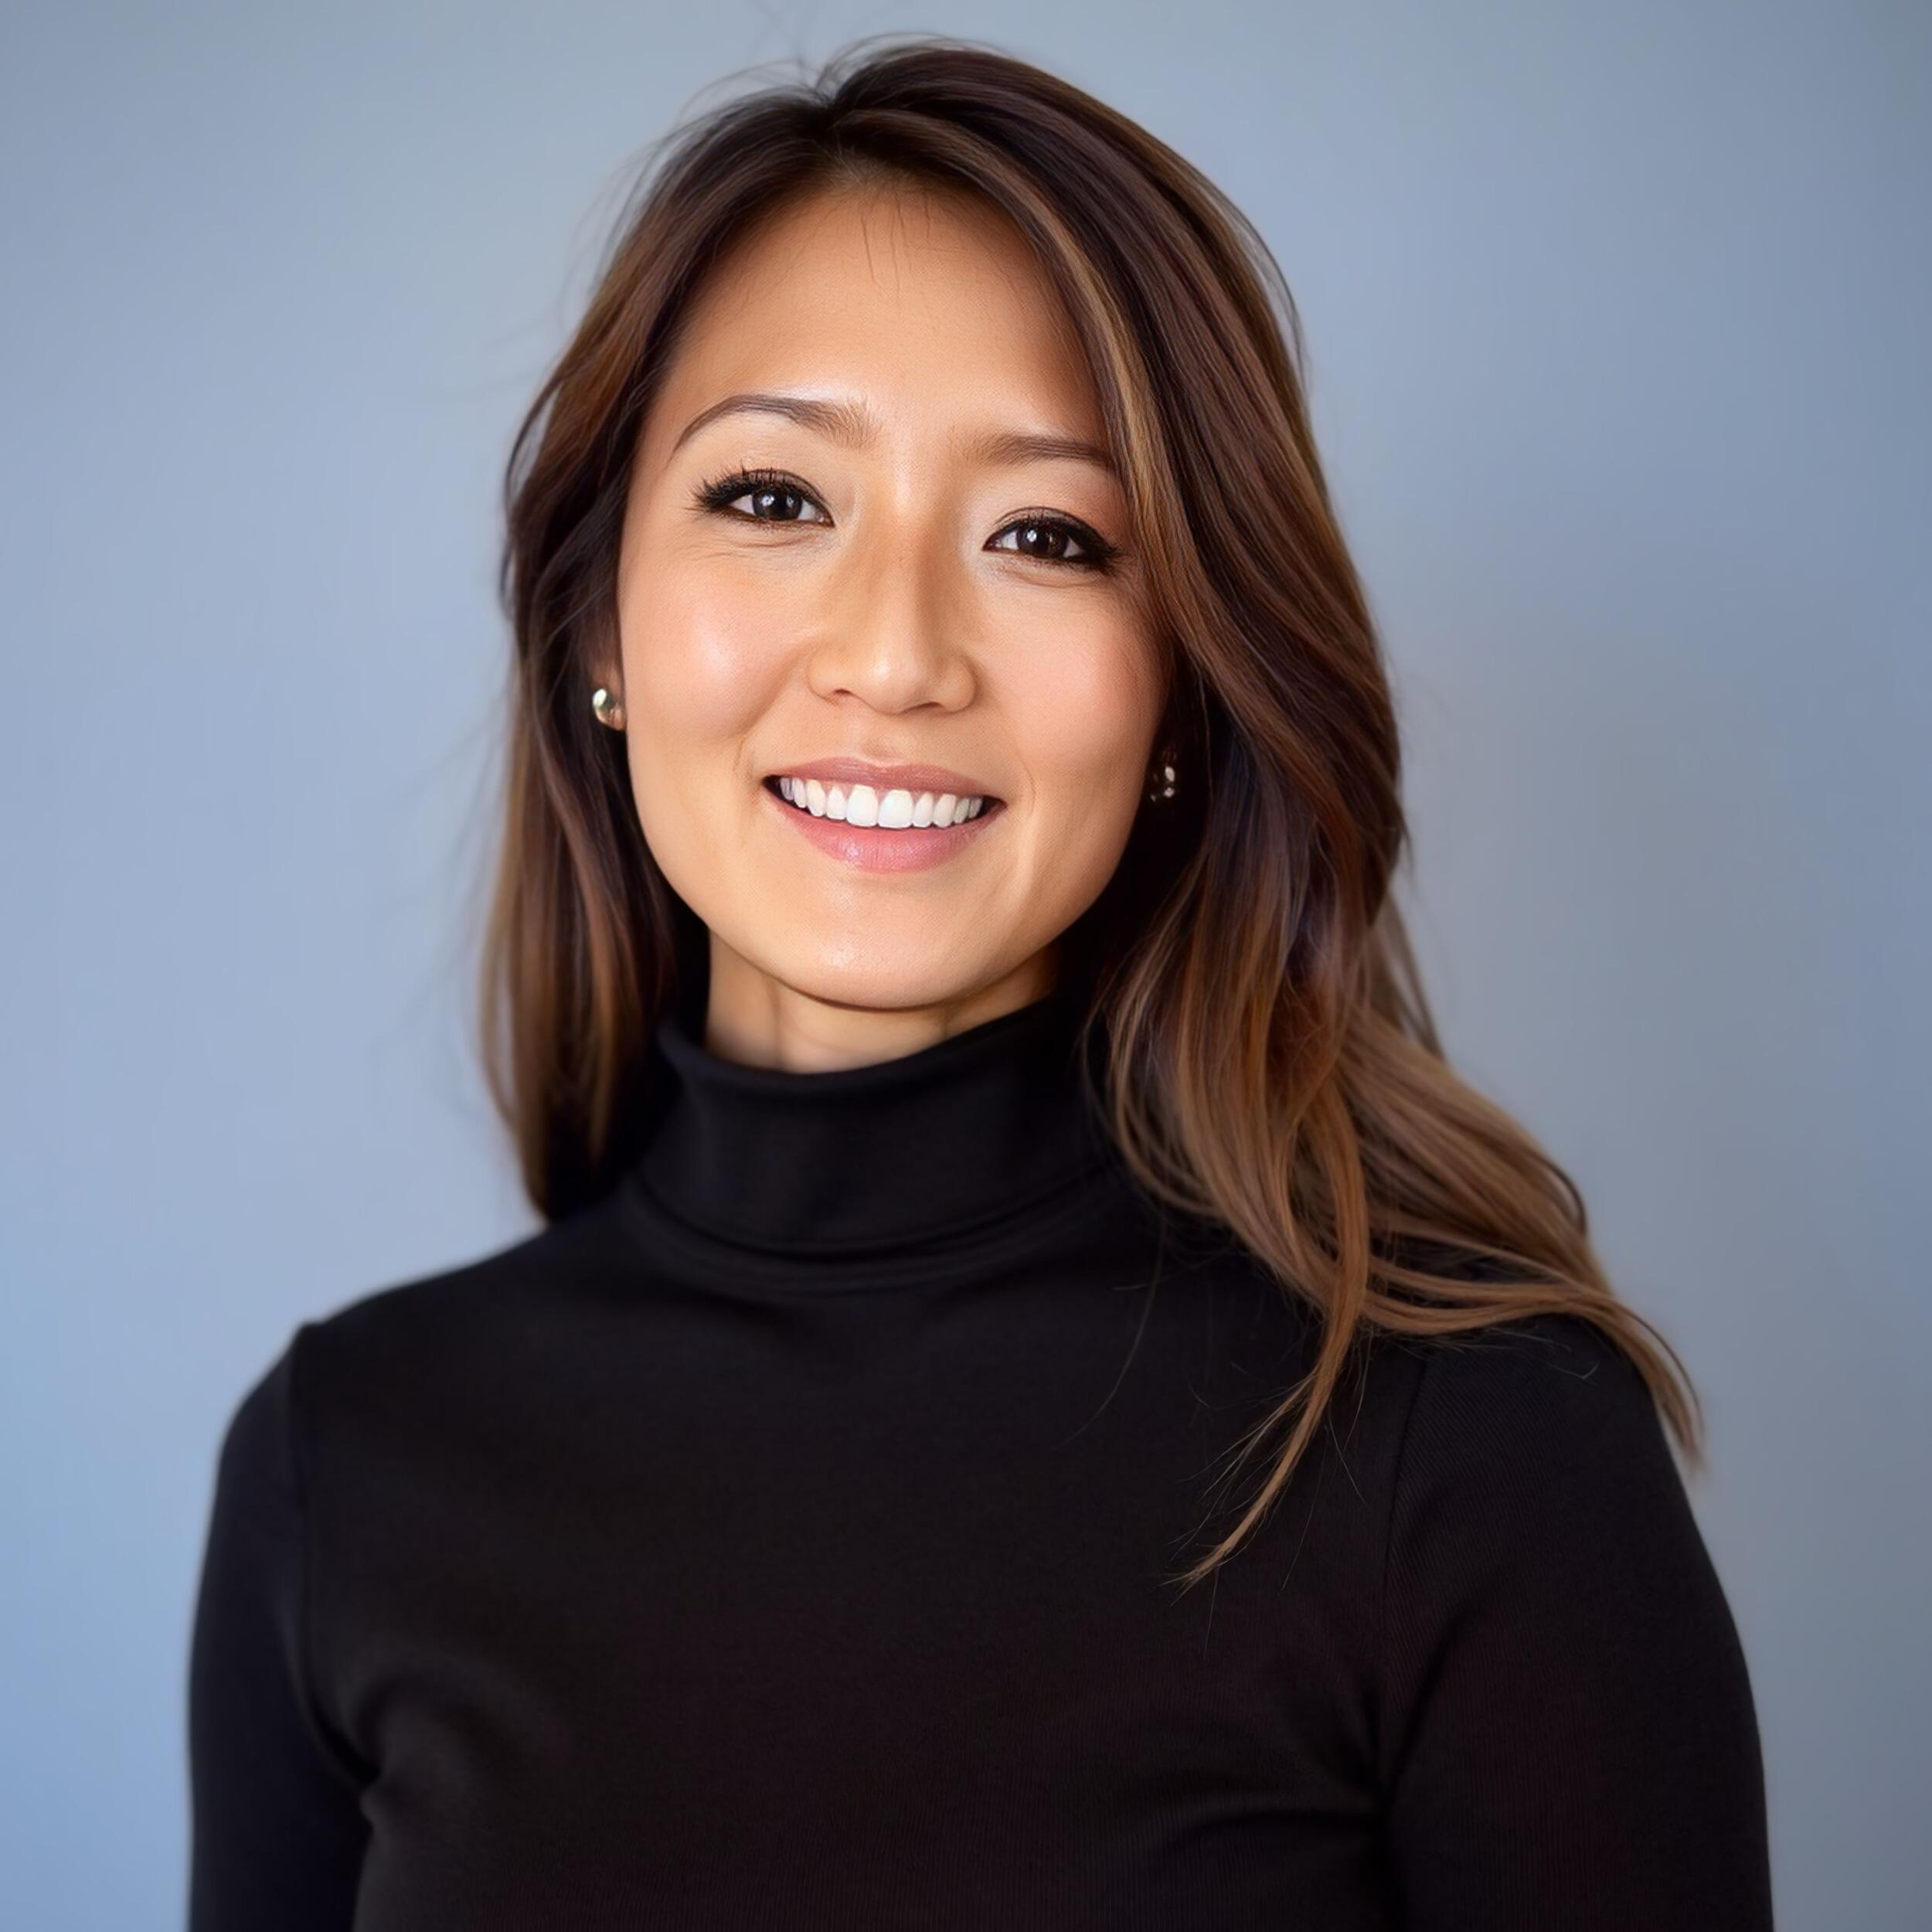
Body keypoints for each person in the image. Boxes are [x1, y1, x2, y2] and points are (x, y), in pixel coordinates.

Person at [185, 35, 1774, 1930]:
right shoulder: (344, 1464)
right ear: (599, 616)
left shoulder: (1470, 1447)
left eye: (1046, 534)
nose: (894, 652)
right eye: (775, 499)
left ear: (1183, 679)